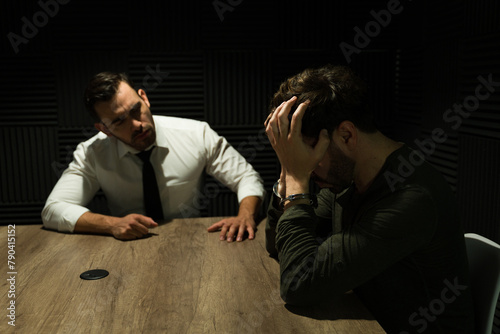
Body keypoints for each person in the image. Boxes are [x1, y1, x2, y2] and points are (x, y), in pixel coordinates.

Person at [264, 65, 474, 333]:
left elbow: (297, 283)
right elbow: (277, 246)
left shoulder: (410, 199)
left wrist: (296, 175)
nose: (308, 165)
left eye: (309, 152)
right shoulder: (350, 180)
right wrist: (287, 172)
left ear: (347, 135)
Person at [42, 72, 265, 242]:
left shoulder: (197, 134)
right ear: (104, 129)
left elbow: (247, 177)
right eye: (119, 121)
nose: (137, 125)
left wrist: (245, 215)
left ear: (144, 98)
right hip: (125, 246)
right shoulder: (91, 153)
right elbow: (53, 209)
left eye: (135, 110)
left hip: (191, 239)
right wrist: (111, 224)